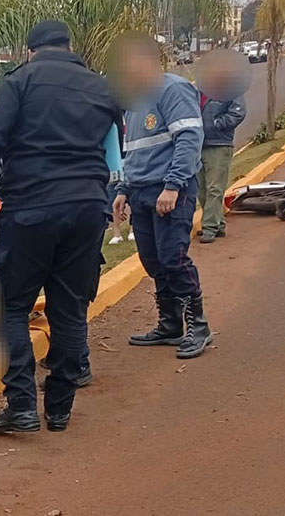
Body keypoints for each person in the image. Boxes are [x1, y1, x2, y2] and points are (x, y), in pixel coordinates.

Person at [0, 20, 121, 434]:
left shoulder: (19, 82)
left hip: (31, 208)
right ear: (69, 47)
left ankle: (21, 405)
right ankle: (59, 408)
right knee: (69, 310)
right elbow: (114, 147)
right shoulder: (102, 87)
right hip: (88, 208)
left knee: (9, 307)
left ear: (30, 50)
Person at [111, 34, 212, 360]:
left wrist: (173, 186)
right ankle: (170, 324)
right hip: (140, 192)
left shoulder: (173, 89)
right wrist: (123, 190)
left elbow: (189, 139)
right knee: (153, 261)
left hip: (170, 191)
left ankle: (198, 326)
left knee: (173, 258)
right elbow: (133, 152)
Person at [198, 91, 246, 244]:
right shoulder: (196, 90)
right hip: (198, 145)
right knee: (201, 189)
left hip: (219, 145)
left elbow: (238, 112)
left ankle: (209, 227)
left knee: (214, 188)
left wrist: (217, 124)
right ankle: (218, 224)